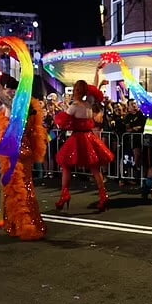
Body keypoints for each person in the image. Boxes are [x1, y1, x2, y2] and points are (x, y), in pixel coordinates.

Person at [0, 45, 47, 241]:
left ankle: (21, 224)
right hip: (26, 147)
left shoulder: (11, 103)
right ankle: (9, 219)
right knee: (23, 185)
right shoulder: (28, 103)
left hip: (13, 148)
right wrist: (24, 62)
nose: (7, 92)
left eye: (9, 89)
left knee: (13, 186)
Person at [54, 69, 114, 212]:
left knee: (67, 166)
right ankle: (103, 195)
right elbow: (94, 90)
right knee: (95, 168)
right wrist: (98, 75)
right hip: (89, 137)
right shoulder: (89, 104)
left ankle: (64, 194)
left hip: (77, 139)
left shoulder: (74, 107)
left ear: (76, 91)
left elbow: (62, 123)